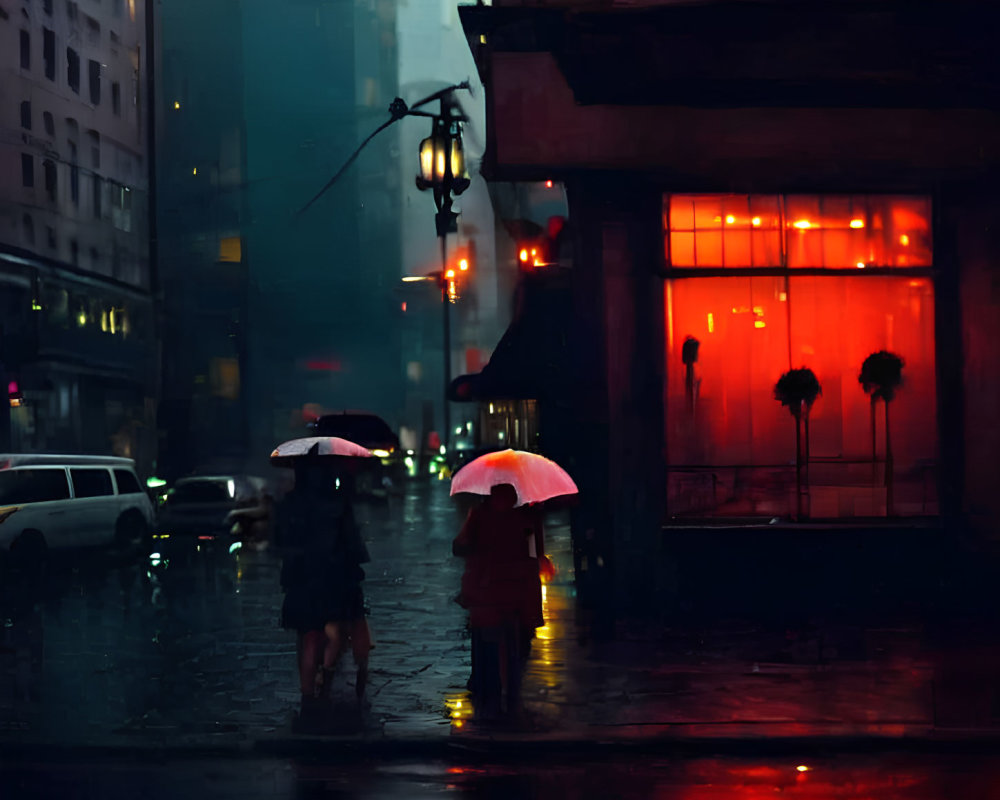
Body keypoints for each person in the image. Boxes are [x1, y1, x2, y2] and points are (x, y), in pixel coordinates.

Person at [275, 460, 372, 726]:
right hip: (332, 579)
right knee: (333, 633)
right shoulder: (338, 504)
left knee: (309, 636)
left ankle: (308, 698)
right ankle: (325, 685)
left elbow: (278, 542)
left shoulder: (289, 503)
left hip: (300, 581)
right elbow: (352, 544)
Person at [452, 483, 545, 719]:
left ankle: (490, 699)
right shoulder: (526, 519)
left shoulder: (480, 516)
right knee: (515, 651)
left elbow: (460, 547)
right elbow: (534, 556)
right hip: (516, 596)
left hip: (488, 596)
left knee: (488, 648)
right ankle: (510, 700)